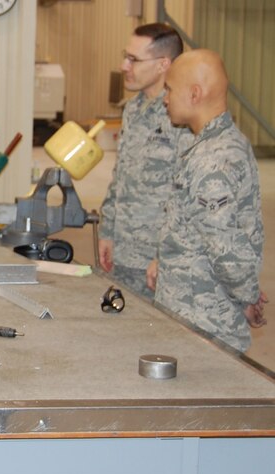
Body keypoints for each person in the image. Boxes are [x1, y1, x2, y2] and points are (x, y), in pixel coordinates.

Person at [147, 49, 266, 352]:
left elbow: (225, 247)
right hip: (192, 308)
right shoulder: (220, 143)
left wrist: (247, 297)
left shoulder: (213, 160)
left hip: (203, 318)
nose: (165, 99)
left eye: (170, 90)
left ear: (195, 94)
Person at [98, 23, 187, 298]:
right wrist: (107, 231)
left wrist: (165, 255)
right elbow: (120, 176)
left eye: (133, 59)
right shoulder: (133, 109)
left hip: (156, 260)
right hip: (124, 252)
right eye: (125, 56)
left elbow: (186, 195)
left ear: (163, 64)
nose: (124, 66)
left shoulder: (181, 117)